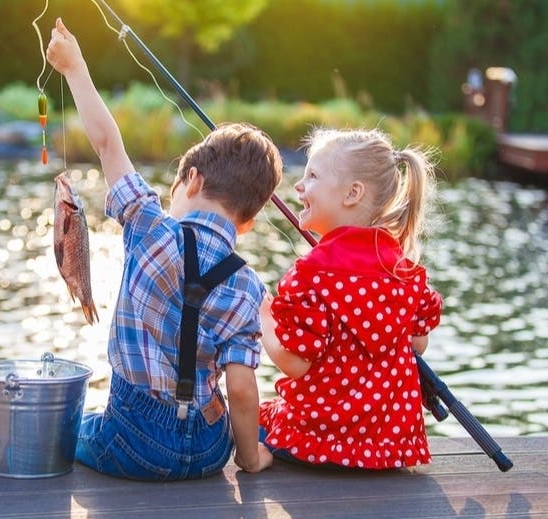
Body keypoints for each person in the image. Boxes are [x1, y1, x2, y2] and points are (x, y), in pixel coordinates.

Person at [46, 17, 281, 480]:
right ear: (249, 224)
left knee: (69, 431)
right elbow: (241, 386)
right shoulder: (249, 285)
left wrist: (75, 68)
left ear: (190, 180)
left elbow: (107, 143)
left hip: (133, 440)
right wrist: (250, 458)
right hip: (211, 449)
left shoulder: (150, 227)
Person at [258, 128, 443, 469]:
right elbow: (417, 344)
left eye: (312, 175)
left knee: (247, 421)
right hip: (389, 450)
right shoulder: (405, 272)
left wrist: (264, 317)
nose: (299, 186)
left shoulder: (310, 275)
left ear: (353, 193)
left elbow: (294, 363)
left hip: (316, 442)